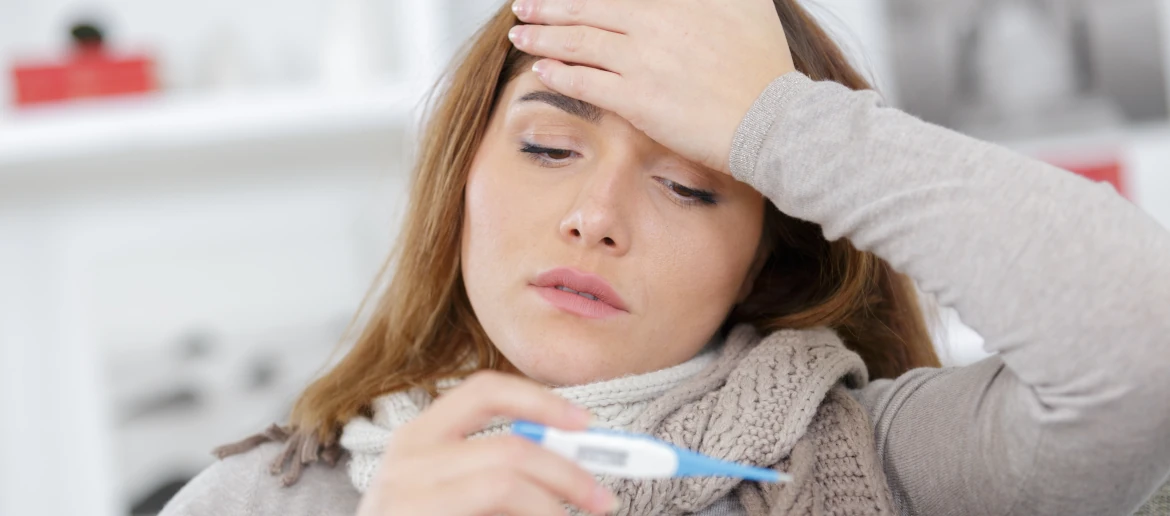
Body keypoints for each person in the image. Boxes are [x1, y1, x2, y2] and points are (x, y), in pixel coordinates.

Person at [160, 0, 1170, 514]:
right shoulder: (266, 499)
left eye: (693, 184)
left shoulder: (894, 463)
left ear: (765, 262)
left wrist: (783, 123)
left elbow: (1141, 343)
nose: (596, 216)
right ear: (462, 175)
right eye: (550, 148)